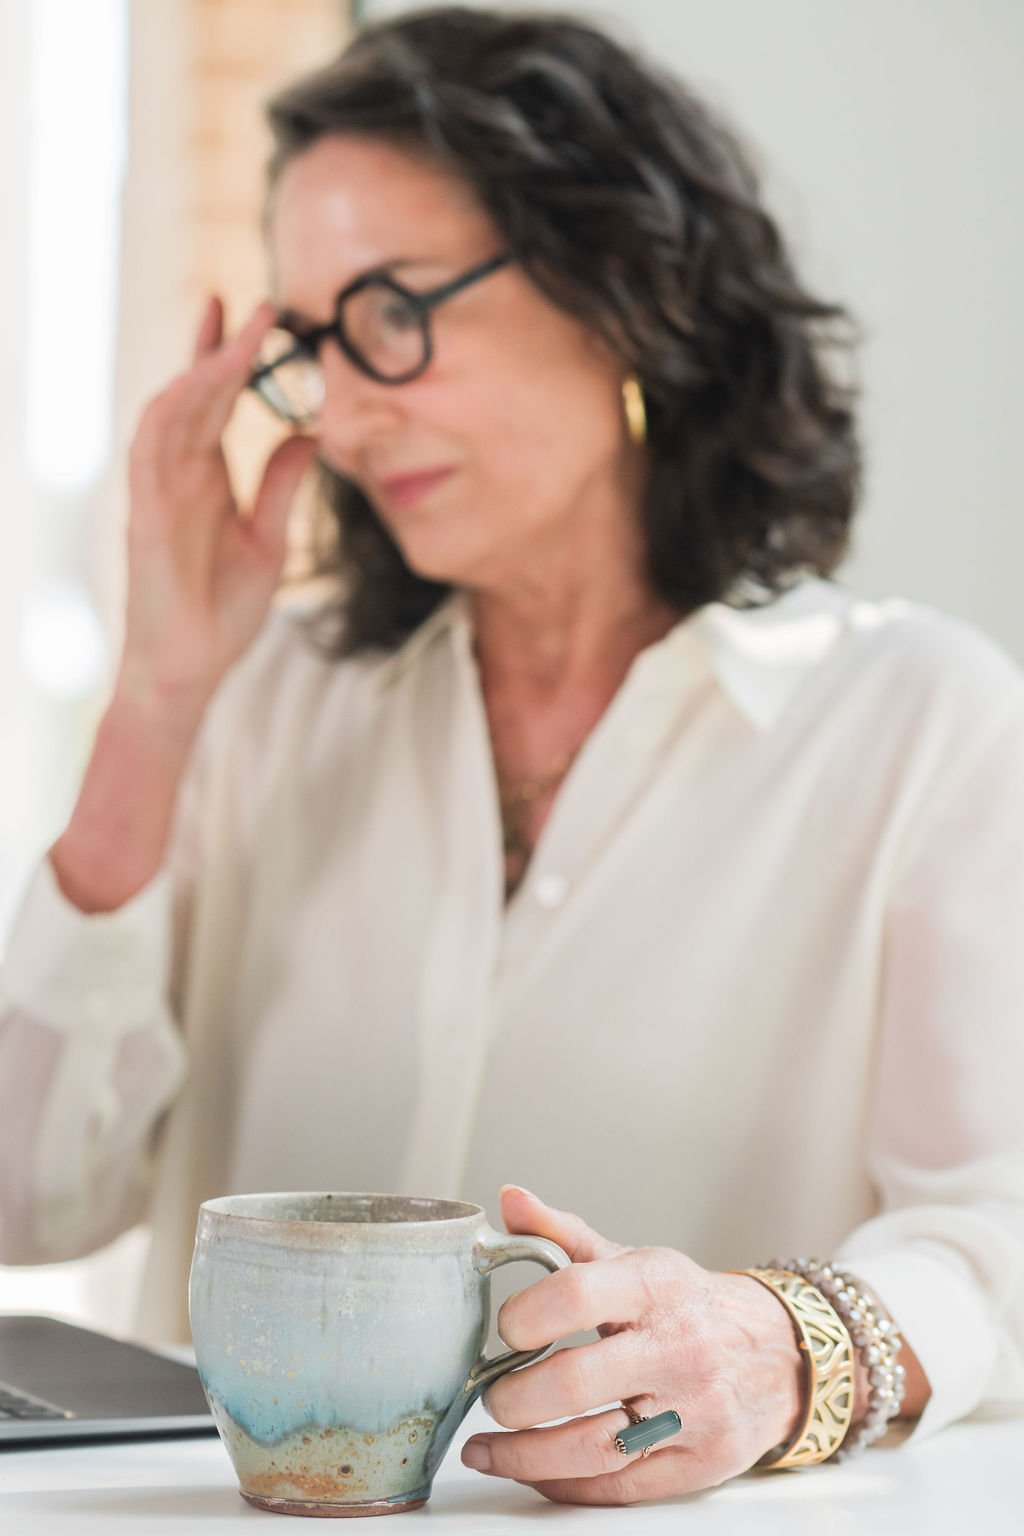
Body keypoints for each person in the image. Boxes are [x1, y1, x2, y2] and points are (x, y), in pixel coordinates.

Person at [1, 4, 1022, 1506]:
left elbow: (996, 1236)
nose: (340, 413)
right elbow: (32, 1196)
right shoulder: (268, 705)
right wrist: (156, 701)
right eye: (308, 345)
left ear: (615, 285)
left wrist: (772, 1344)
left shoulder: (917, 724)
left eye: (391, 316)